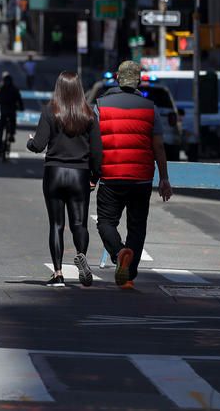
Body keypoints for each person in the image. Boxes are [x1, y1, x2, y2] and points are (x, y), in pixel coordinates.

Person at [95, 60, 172, 289]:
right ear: (137, 80)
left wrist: (92, 172)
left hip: (111, 175)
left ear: (118, 78)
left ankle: (119, 253)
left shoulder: (100, 105)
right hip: (141, 177)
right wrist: (164, 178)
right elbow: (158, 147)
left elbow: (94, 144)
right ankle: (129, 274)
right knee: (137, 226)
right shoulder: (150, 108)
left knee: (106, 222)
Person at [27, 72, 103, 287]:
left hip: (54, 172)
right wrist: (95, 176)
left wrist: (30, 143)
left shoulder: (51, 110)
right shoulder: (88, 114)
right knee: (79, 223)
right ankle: (81, 255)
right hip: (79, 173)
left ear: (59, 87)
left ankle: (58, 273)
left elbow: (39, 145)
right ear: (79, 88)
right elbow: (97, 151)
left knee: (56, 224)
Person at [0, 74, 24, 159]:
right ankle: (11, 134)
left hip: (3, 112)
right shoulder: (14, 89)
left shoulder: (1, 89)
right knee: (12, 122)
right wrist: (21, 107)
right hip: (11, 111)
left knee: (0, 130)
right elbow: (19, 100)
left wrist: (1, 103)